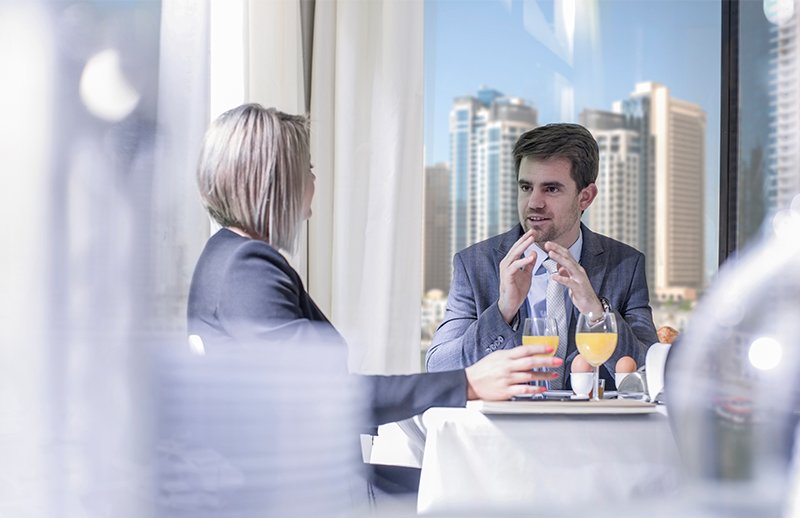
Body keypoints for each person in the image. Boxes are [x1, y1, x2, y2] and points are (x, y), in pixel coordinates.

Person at [187, 103, 560, 430]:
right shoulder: (246, 269)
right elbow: (324, 395)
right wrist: (466, 383)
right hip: (305, 500)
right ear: (276, 180)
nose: (314, 180)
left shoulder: (225, 258)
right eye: (308, 168)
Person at [426, 123, 658, 389]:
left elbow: (647, 372)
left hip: (592, 430)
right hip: (504, 428)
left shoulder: (626, 266)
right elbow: (438, 369)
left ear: (585, 197)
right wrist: (503, 311)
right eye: (526, 187)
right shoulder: (474, 265)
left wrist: (597, 314)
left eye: (551, 189)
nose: (534, 202)